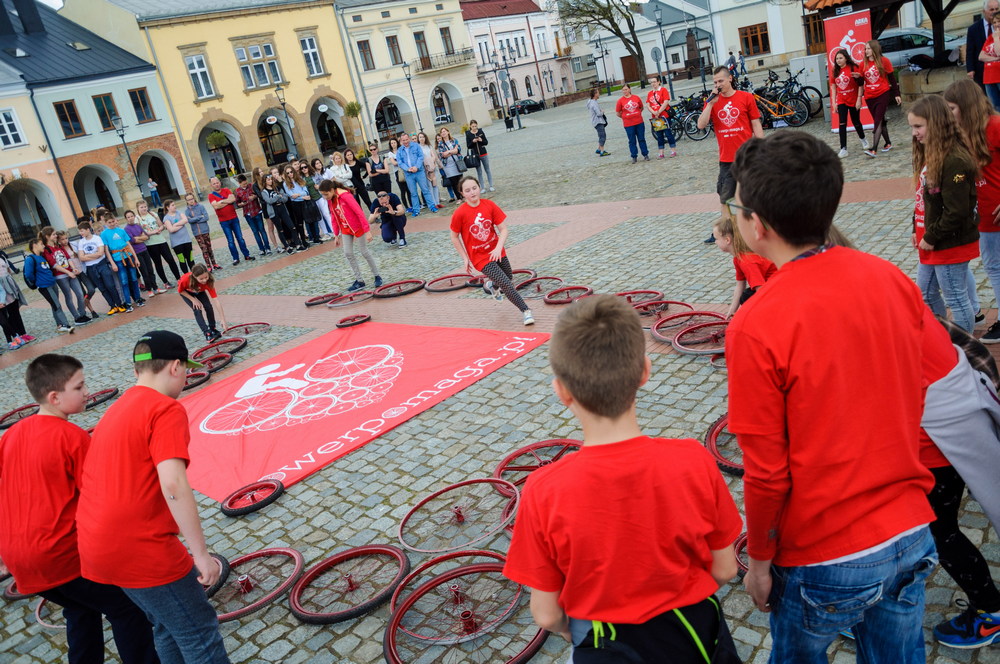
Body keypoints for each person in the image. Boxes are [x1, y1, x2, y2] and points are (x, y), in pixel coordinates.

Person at [726, 130, 938, 663]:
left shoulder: (755, 323)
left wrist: (759, 561)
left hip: (827, 549)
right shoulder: (891, 279)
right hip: (910, 524)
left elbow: (767, 470)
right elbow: (918, 391)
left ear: (757, 224)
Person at [503, 295, 741, 660]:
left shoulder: (543, 490)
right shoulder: (693, 459)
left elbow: (547, 613)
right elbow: (724, 567)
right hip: (691, 634)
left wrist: (571, 631)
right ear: (645, 371)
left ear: (561, 391)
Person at [76, 330, 231, 664]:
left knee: (166, 625)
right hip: (140, 547)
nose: (186, 375)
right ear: (175, 367)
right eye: (186, 369)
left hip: (97, 547)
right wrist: (201, 554)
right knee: (199, 633)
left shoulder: (117, 409)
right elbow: (173, 483)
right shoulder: (164, 409)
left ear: (136, 370)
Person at [0, 354, 159, 664]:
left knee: (81, 608)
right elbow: (103, 500)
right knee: (127, 608)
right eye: (79, 386)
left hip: (22, 559)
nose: (88, 391)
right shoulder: (72, 438)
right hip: (62, 555)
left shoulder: (12, 435)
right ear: (54, 397)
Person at [915, 312, 1000, 649]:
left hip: (930, 441)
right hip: (955, 419)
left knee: (939, 533)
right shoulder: (885, 285)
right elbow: (968, 344)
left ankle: (990, 613)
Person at [909, 94, 980, 332]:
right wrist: (915, 228)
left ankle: (965, 351)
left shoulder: (954, 160)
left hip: (948, 241)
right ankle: (942, 341)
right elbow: (922, 197)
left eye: (918, 126)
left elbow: (957, 210)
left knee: (956, 298)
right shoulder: (930, 152)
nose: (914, 133)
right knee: (926, 294)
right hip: (932, 239)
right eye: (912, 127)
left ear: (936, 124)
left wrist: (931, 236)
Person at [945, 78, 1000, 341]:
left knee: (995, 266)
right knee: (985, 264)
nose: (950, 115)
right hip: (979, 213)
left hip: (995, 211)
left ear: (967, 106)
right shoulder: (962, 134)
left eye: (953, 108)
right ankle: (982, 312)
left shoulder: (995, 125)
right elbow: (962, 175)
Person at [449, 175, 534, 326]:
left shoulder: (489, 205)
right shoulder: (460, 213)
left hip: (496, 251)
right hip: (480, 258)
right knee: (507, 284)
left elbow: (504, 229)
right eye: (467, 190)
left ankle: (491, 286)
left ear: (479, 187)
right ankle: (526, 311)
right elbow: (454, 237)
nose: (472, 192)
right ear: (462, 193)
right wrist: (465, 257)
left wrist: (498, 247)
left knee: (507, 276)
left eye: (474, 188)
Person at [698, 66, 764, 243]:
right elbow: (701, 125)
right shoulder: (712, 101)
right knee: (725, 198)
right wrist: (710, 103)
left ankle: (754, 228)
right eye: (715, 82)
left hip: (746, 157)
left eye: (720, 81)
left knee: (749, 196)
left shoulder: (746, 97)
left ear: (730, 79)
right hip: (726, 159)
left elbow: (756, 124)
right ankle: (727, 232)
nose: (718, 84)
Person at [319, 178, 383, 292]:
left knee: (364, 251)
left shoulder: (345, 196)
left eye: (326, 194)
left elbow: (359, 211)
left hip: (357, 227)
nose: (325, 197)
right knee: (348, 253)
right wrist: (336, 235)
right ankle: (359, 280)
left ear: (332, 190)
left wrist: (367, 230)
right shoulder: (331, 199)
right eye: (323, 195)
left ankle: (377, 275)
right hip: (345, 229)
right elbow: (334, 216)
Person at [712, 215, 775, 317]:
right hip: (771, 288)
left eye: (716, 239)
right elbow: (740, 285)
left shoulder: (747, 261)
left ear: (727, 240)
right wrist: (732, 311)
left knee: (748, 299)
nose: (715, 242)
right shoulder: (738, 258)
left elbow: (761, 291)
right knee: (746, 296)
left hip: (777, 290)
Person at [25, 238, 75, 333]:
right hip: (44, 286)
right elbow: (28, 274)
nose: (44, 246)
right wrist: (37, 281)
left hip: (52, 283)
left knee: (54, 304)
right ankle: (65, 324)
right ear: (34, 245)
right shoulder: (30, 259)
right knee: (57, 305)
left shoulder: (42, 257)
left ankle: (59, 325)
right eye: (41, 244)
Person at [76, 221, 126, 316]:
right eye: (79, 231)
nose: (80, 233)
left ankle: (119, 304)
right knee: (102, 288)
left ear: (87, 230)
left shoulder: (97, 238)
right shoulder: (81, 242)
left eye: (82, 231)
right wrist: (93, 255)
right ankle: (112, 306)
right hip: (90, 268)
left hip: (101, 265)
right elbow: (81, 257)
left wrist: (88, 255)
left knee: (110, 285)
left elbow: (101, 253)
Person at [42, 227, 89, 326]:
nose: (56, 236)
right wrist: (68, 273)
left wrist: (73, 268)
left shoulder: (58, 246)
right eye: (54, 234)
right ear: (47, 236)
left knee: (80, 294)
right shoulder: (46, 249)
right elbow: (54, 264)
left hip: (71, 273)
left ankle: (82, 313)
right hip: (60, 276)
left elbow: (68, 258)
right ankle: (77, 317)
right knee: (69, 296)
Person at [861, 40, 901, 157]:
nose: (866, 51)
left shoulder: (884, 61)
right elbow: (860, 81)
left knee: (877, 121)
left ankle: (874, 149)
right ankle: (888, 143)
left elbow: (892, 79)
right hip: (869, 96)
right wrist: (857, 77)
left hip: (882, 93)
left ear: (875, 49)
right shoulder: (862, 64)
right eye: (865, 49)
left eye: (868, 49)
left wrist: (896, 94)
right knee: (881, 120)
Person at [831, 48, 870, 158]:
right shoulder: (835, 71)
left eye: (840, 58)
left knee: (856, 121)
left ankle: (863, 139)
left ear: (846, 58)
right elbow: (833, 88)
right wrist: (834, 103)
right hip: (841, 100)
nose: (838, 60)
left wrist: (859, 99)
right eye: (837, 58)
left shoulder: (854, 68)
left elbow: (860, 85)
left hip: (853, 99)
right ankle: (843, 148)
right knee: (842, 123)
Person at [208, 176, 255, 266]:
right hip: (224, 221)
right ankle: (235, 258)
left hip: (234, 218)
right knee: (230, 241)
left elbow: (233, 199)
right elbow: (216, 206)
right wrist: (226, 201)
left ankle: (247, 255)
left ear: (220, 182)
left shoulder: (226, 190)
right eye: (214, 183)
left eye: (217, 182)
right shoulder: (211, 195)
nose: (216, 184)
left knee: (240, 238)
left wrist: (221, 202)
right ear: (211, 185)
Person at [136, 200, 178, 291]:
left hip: (161, 241)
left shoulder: (152, 214)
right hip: (150, 244)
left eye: (145, 206)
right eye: (141, 207)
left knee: (170, 259)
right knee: (158, 263)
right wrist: (152, 233)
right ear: (138, 209)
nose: (144, 208)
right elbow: (140, 233)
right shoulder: (137, 218)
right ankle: (165, 282)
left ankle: (178, 278)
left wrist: (160, 229)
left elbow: (161, 225)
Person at [178, 263, 226, 342]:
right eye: (201, 279)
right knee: (197, 309)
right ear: (194, 276)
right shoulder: (185, 279)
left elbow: (216, 300)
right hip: (187, 292)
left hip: (200, 291)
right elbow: (180, 291)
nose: (204, 280)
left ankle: (212, 328)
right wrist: (193, 299)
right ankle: (207, 333)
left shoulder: (209, 281)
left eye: (206, 277)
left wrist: (222, 319)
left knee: (208, 306)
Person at [396, 132, 438, 216]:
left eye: (407, 139)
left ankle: (432, 206)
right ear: (401, 141)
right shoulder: (400, 150)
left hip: (419, 171)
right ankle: (416, 210)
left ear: (409, 139)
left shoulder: (416, 146)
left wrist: (416, 167)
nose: (405, 142)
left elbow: (420, 156)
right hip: (408, 174)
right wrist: (407, 168)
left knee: (425, 189)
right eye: (403, 140)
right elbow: (400, 162)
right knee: (413, 193)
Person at [124, 211, 159, 300]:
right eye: (128, 217)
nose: (131, 218)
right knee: (144, 272)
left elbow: (146, 236)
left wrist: (138, 238)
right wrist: (140, 237)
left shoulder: (138, 226)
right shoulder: (126, 229)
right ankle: (149, 290)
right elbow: (132, 241)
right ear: (126, 219)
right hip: (137, 252)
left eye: (132, 216)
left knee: (150, 269)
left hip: (144, 250)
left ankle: (155, 287)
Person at [0, 250, 31, 349]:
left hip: (9, 284)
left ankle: (23, 333)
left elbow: (8, 270)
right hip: (2, 289)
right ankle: (15, 336)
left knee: (15, 311)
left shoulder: (2, 257)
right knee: (8, 315)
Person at [234, 174, 271, 256]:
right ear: (239, 183)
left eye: (246, 183)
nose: (245, 185)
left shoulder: (251, 186)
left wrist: (254, 197)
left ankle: (267, 248)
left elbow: (259, 194)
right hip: (248, 213)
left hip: (257, 211)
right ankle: (261, 249)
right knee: (255, 232)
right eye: (243, 184)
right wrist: (241, 204)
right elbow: (237, 203)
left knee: (262, 230)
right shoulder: (237, 191)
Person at [260, 172, 296, 254]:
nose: (270, 181)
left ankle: (297, 243)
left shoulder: (277, 188)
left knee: (291, 226)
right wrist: (277, 196)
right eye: (268, 180)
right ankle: (287, 247)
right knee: (280, 230)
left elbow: (285, 198)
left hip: (282, 208)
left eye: (271, 179)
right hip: (273, 211)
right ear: (265, 181)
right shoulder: (264, 191)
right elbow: (269, 201)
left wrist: (279, 197)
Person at [183, 193, 221, 271]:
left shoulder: (201, 207)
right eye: (189, 200)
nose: (191, 201)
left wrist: (195, 219)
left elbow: (206, 217)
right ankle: (208, 266)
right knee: (204, 249)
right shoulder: (187, 211)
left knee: (209, 248)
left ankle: (214, 264)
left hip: (205, 230)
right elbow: (189, 221)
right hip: (197, 233)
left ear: (194, 198)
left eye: (192, 199)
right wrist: (199, 217)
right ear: (186, 201)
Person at [967, 0, 999, 89]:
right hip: (982, 71)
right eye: (991, 9)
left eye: (996, 9)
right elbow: (970, 51)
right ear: (984, 11)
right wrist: (970, 69)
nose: (994, 12)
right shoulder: (973, 29)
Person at [161, 200, 196, 278]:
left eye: (174, 204)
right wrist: (182, 224)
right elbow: (171, 230)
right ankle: (187, 276)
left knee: (190, 258)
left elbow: (186, 220)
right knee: (182, 260)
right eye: (172, 205)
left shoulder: (179, 212)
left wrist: (175, 224)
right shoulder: (166, 218)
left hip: (186, 240)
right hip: (177, 244)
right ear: (167, 207)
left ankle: (194, 275)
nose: (175, 206)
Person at [615, 83, 649, 163]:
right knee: (632, 140)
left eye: (626, 89)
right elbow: (617, 113)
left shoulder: (636, 98)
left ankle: (645, 154)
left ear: (629, 89)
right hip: (628, 124)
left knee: (641, 139)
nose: (625, 91)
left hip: (639, 122)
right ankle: (634, 156)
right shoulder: (620, 101)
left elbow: (641, 107)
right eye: (623, 90)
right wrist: (625, 117)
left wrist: (637, 114)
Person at [646, 75, 678, 159]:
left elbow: (665, 102)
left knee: (668, 133)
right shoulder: (650, 93)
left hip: (664, 115)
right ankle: (661, 152)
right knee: (659, 135)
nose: (653, 84)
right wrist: (654, 112)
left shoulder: (663, 90)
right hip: (656, 117)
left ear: (658, 82)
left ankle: (673, 150)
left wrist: (659, 111)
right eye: (651, 82)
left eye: (654, 82)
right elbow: (648, 105)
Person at [282, 165, 312, 251]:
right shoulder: (286, 183)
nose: (290, 174)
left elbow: (305, 191)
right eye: (288, 173)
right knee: (298, 223)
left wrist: (299, 195)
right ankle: (300, 240)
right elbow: (291, 195)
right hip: (295, 204)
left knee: (305, 221)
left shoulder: (299, 179)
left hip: (303, 203)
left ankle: (305, 239)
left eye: (291, 172)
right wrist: (301, 195)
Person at [296, 163, 323, 245]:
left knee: (315, 217)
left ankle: (317, 236)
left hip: (312, 198)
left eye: (305, 167)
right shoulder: (300, 178)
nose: (304, 169)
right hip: (305, 200)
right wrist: (303, 195)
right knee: (308, 219)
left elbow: (322, 180)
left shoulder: (313, 175)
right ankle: (311, 236)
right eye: (302, 168)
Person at [465, 120, 495, 191]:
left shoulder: (480, 132)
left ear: (477, 125)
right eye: (473, 126)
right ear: (470, 126)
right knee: (479, 172)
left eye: (475, 126)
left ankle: (491, 185)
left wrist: (481, 140)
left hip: (483, 153)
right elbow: (468, 146)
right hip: (476, 155)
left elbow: (486, 142)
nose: (474, 128)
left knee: (487, 170)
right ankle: (482, 187)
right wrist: (473, 142)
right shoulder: (468, 134)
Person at [436, 127, 464, 202]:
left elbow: (458, 150)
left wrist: (448, 152)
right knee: (454, 182)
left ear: (448, 132)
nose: (443, 133)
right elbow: (443, 155)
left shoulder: (454, 140)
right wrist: (453, 151)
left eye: (444, 131)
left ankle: (463, 196)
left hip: (457, 163)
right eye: (442, 132)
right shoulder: (440, 144)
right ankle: (458, 198)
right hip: (448, 165)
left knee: (460, 181)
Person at [980, 13, 1000, 111]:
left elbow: (999, 52)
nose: (996, 24)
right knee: (995, 107)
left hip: (999, 75)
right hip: (989, 77)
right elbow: (981, 56)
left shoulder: (995, 37)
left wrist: (996, 39)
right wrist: (995, 59)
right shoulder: (990, 37)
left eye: (999, 21)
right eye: (994, 22)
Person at [417, 132, 442, 207]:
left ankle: (437, 202)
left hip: (432, 167)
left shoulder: (429, 146)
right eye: (420, 137)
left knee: (435, 185)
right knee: (429, 186)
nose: (422, 138)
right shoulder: (418, 147)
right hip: (425, 169)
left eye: (423, 137)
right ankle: (433, 203)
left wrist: (432, 161)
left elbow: (433, 155)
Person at [388, 137, 412, 210]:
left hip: (405, 170)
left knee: (408, 189)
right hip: (397, 173)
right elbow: (394, 163)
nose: (393, 144)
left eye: (394, 142)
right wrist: (401, 162)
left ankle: (411, 205)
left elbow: (406, 159)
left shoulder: (401, 149)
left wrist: (399, 161)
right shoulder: (390, 153)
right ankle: (406, 207)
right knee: (403, 190)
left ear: (397, 143)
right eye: (391, 143)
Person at [588, 88, 611, 157]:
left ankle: (599, 149)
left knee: (601, 135)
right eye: (598, 93)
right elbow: (598, 114)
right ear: (595, 94)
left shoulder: (591, 102)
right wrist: (602, 111)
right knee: (602, 136)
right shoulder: (593, 103)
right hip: (598, 122)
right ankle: (602, 151)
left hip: (595, 122)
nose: (599, 94)